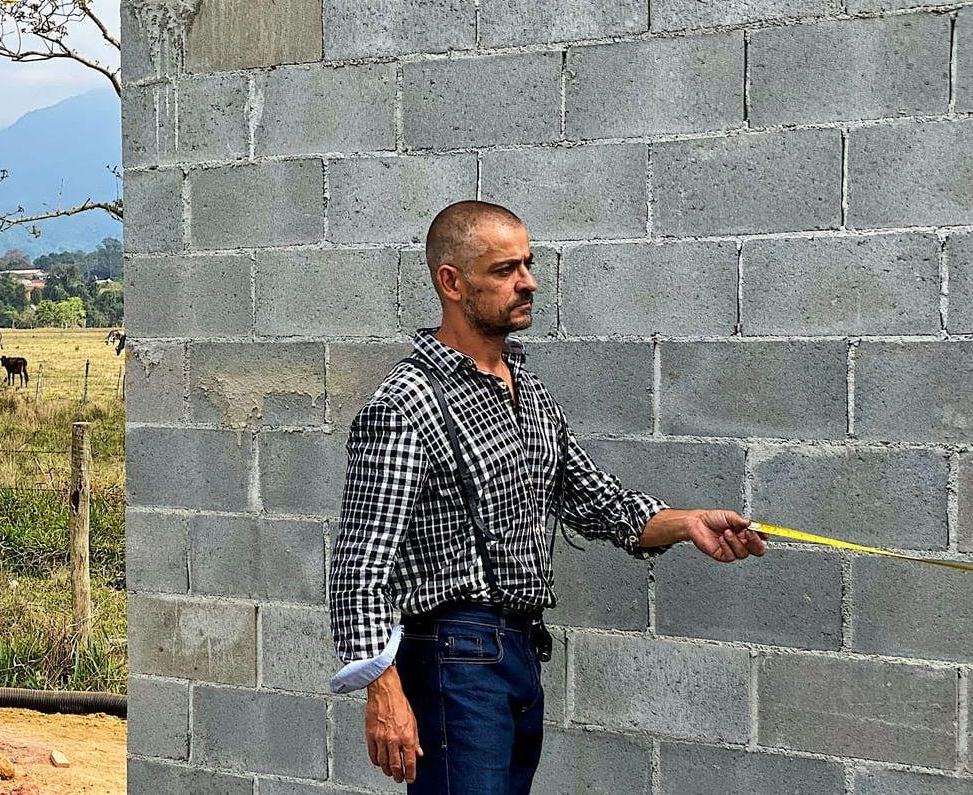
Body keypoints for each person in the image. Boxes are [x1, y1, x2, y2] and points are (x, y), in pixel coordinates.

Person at [327, 200, 768, 794]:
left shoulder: (528, 393)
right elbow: (360, 565)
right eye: (505, 270)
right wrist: (382, 690)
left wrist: (689, 523)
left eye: (528, 265)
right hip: (453, 657)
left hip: (519, 652)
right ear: (452, 283)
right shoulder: (407, 403)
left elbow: (601, 504)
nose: (528, 282)